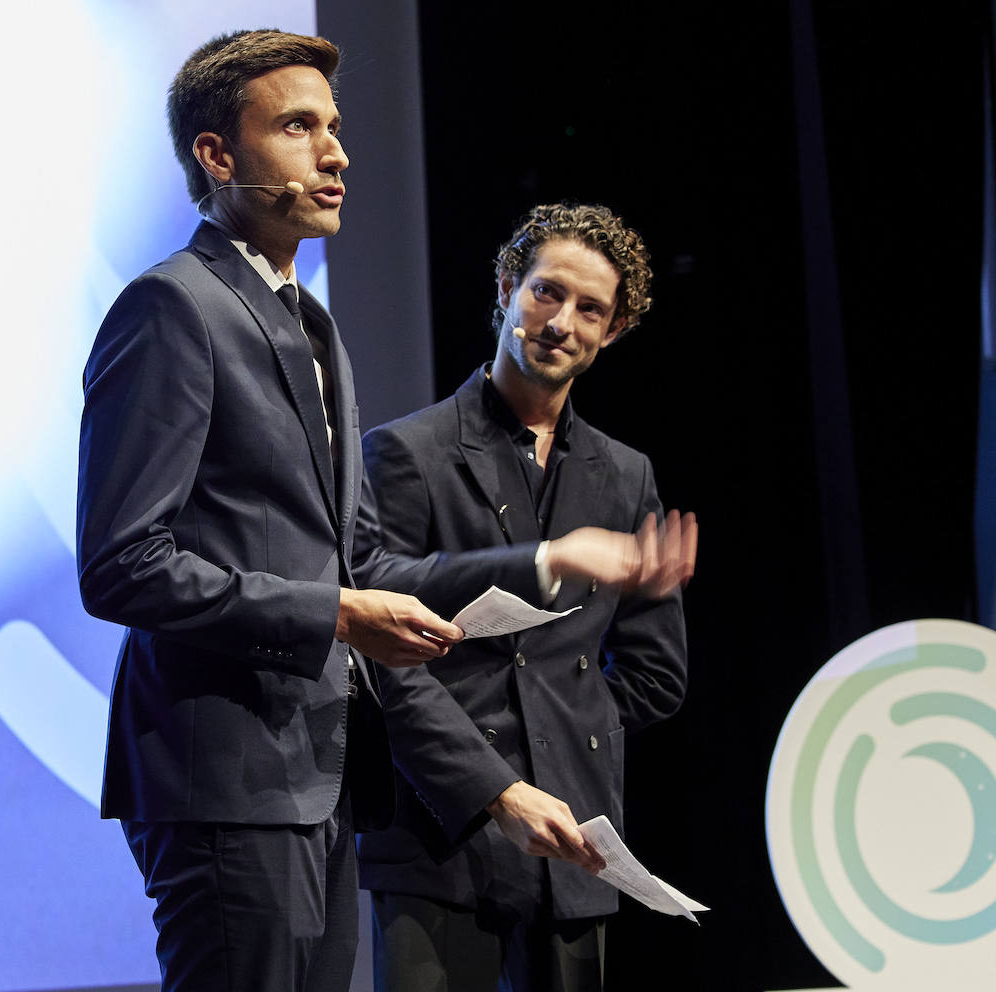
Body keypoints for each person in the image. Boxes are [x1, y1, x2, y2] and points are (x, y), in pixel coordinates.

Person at [77, 32, 690, 992]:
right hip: (226, 777)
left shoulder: (311, 324)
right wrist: (332, 613)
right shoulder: (173, 308)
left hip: (318, 779)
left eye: (335, 126)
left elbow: (367, 569)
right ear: (216, 154)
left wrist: (544, 561)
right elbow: (122, 565)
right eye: (298, 127)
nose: (336, 153)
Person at [356, 203, 696, 992]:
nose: (560, 321)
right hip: (437, 830)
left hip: (573, 838)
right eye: (546, 293)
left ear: (612, 332)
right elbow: (376, 637)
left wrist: (563, 733)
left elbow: (655, 676)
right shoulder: (408, 452)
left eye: (590, 309)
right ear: (508, 288)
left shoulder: (623, 474)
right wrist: (494, 771)